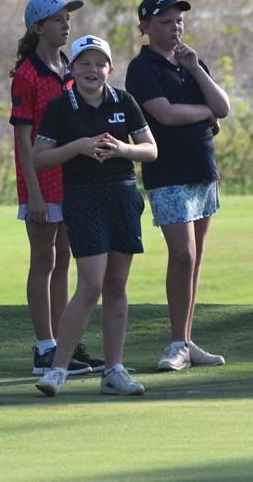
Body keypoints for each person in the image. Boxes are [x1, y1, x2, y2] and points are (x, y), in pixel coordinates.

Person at [33, 35, 157, 398]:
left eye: (99, 63)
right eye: (84, 63)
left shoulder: (124, 100)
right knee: (90, 285)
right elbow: (40, 157)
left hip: (122, 194)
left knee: (117, 285)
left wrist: (121, 149)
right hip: (83, 197)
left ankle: (114, 370)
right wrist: (79, 148)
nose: (92, 69)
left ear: (110, 69)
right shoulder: (60, 107)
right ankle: (57, 370)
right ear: (71, 69)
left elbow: (150, 150)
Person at [125, 0, 231, 372]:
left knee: (196, 258)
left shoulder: (191, 60)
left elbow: (224, 107)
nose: (175, 28)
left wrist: (197, 70)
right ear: (146, 27)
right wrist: (205, 113)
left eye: (179, 21)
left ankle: (186, 340)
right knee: (182, 254)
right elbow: (164, 114)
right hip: (167, 173)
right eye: (166, 21)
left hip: (202, 169)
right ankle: (175, 342)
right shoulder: (142, 68)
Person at [9, 0, 105, 377]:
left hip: (70, 180)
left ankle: (64, 342)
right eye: (58, 19)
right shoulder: (27, 74)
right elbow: (23, 138)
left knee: (64, 258)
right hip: (41, 182)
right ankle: (45, 347)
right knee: (43, 260)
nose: (66, 24)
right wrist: (32, 191)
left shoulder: (66, 64)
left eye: (67, 17)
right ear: (38, 27)